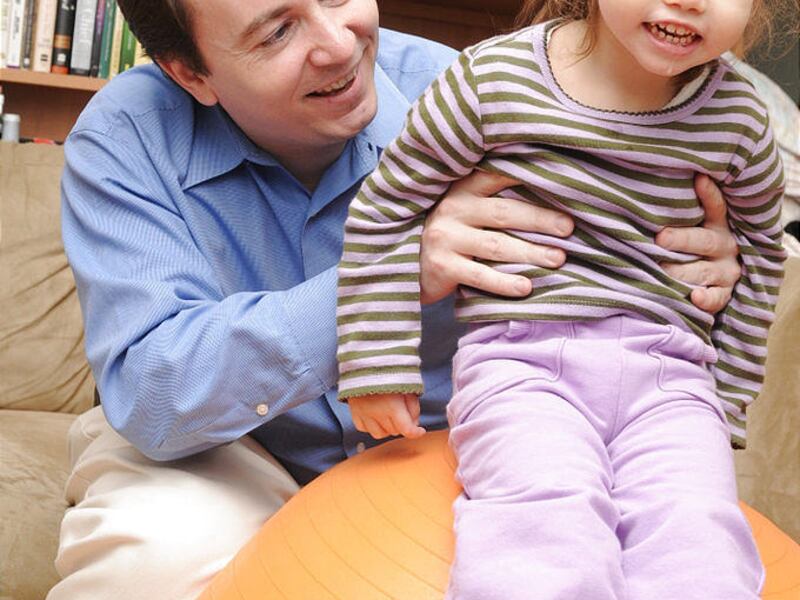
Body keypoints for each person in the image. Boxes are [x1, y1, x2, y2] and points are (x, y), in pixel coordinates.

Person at [49, 0, 743, 598]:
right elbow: (151, 391)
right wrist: (390, 274)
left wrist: (692, 264)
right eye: (276, 32)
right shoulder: (125, 139)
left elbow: (628, 270)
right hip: (231, 446)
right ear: (189, 73)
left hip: (459, 439)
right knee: (151, 559)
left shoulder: (481, 92)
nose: (338, 43)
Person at [336, 0, 793, 598]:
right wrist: (377, 363)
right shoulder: (491, 80)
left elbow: (760, 251)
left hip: (674, 379)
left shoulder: (740, 119)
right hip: (521, 361)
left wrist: (726, 396)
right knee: (547, 526)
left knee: (699, 542)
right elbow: (389, 207)